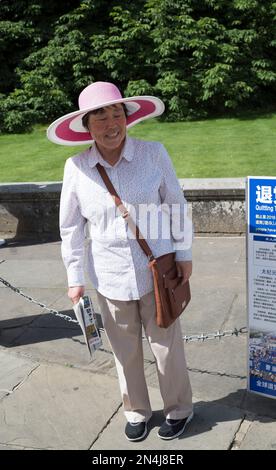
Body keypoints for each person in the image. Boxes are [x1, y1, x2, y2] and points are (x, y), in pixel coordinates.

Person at [47, 81, 193, 442]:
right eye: (101, 117)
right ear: (86, 125)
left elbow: (176, 204)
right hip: (109, 277)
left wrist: (185, 253)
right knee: (125, 352)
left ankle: (179, 409)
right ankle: (136, 410)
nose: (111, 124)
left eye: (117, 114)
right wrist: (74, 277)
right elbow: (71, 228)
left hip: (158, 271)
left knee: (166, 347)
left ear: (128, 118)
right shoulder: (76, 167)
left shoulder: (153, 153)